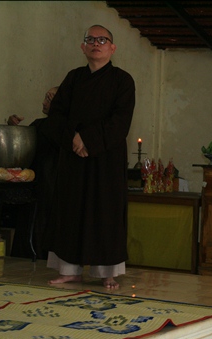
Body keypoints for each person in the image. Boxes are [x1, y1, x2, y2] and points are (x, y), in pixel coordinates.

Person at [43, 24, 135, 289]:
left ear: (112, 48)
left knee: (105, 212)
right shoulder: (73, 78)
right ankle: (69, 270)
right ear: (83, 47)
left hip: (106, 159)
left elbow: (121, 121)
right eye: (91, 39)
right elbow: (56, 115)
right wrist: (74, 138)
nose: (96, 43)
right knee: (70, 212)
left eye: (102, 40)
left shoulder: (122, 81)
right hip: (73, 158)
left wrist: (88, 140)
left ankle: (107, 272)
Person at [7, 87, 59, 260]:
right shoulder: (39, 125)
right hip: (35, 182)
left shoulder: (68, 128)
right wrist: (13, 127)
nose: (44, 103)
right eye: (45, 98)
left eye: (49, 99)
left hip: (54, 184)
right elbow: (21, 145)